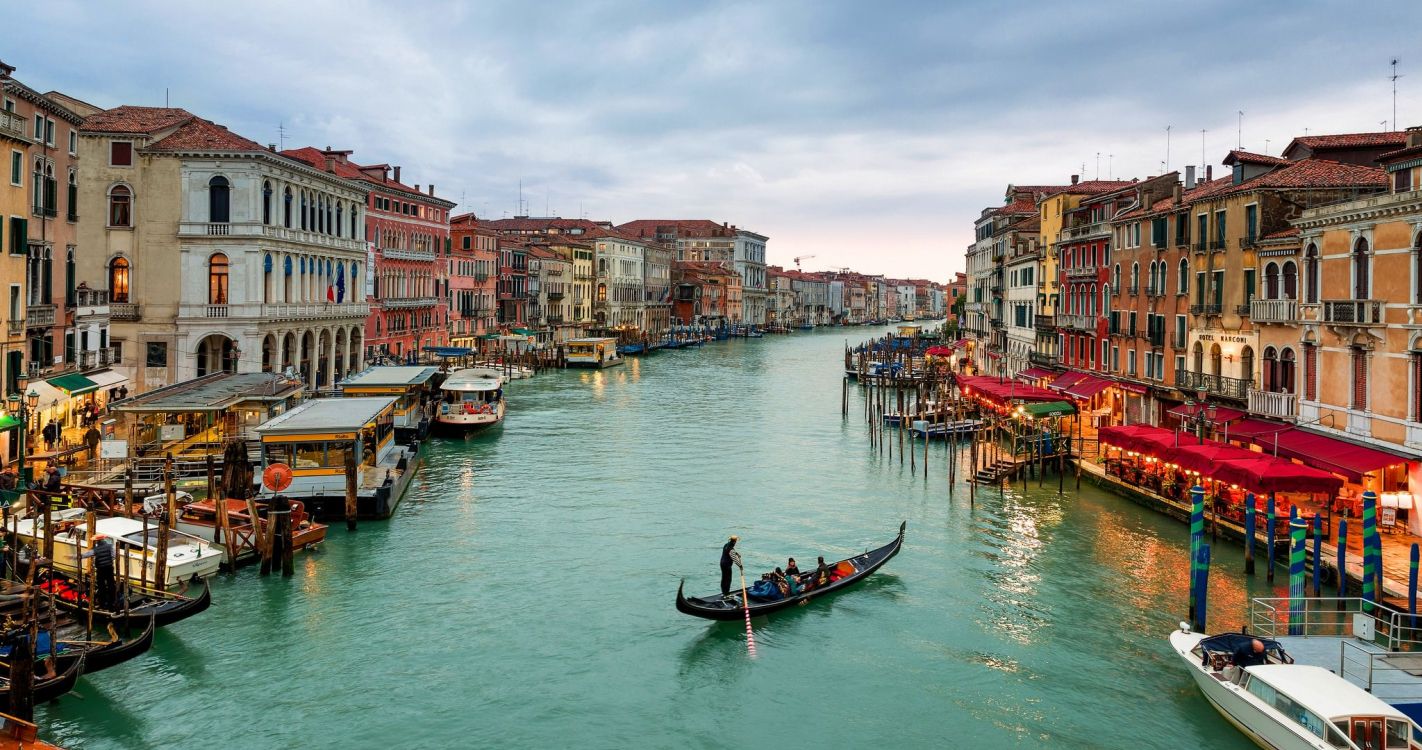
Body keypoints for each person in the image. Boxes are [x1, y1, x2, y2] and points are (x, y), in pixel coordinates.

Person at [80, 535, 117, 610]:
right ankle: (112, 603)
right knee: (111, 585)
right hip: (109, 568)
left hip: (101, 569)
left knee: (101, 587)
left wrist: (74, 556)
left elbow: (86, 555)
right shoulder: (110, 546)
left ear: (97, 541)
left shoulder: (96, 549)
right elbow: (114, 556)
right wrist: (109, 561)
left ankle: (102, 604)